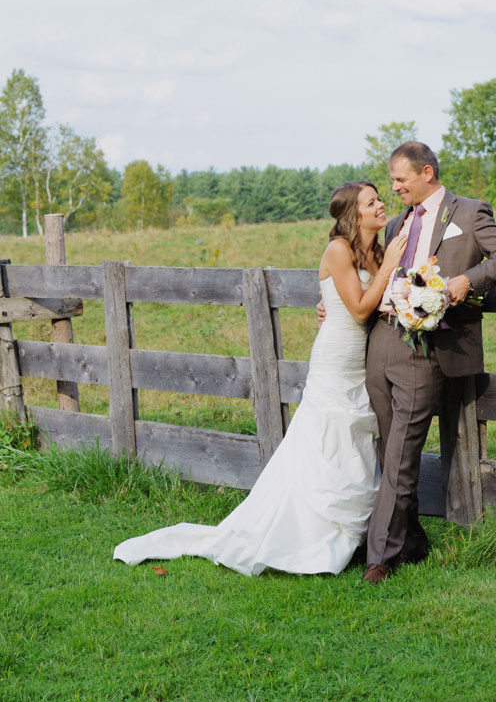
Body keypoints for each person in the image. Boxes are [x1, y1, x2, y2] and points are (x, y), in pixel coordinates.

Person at [113, 182, 406, 576]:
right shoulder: (338, 250)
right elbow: (356, 310)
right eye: (372, 201)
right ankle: (308, 536)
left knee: (355, 441)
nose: (381, 204)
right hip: (337, 357)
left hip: (364, 359)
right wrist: (386, 272)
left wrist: (388, 272)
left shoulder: (376, 252)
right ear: (354, 213)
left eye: (379, 199)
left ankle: (348, 535)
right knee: (328, 437)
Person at [360, 141, 496, 584]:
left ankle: (379, 558)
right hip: (381, 343)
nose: (393, 187)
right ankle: (410, 540)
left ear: (427, 173)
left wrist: (466, 280)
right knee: (385, 446)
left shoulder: (469, 213)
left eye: (400, 179)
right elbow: (374, 276)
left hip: (427, 349)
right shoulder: (397, 223)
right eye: (392, 180)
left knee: (400, 452)